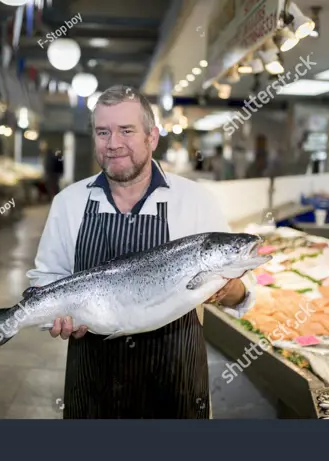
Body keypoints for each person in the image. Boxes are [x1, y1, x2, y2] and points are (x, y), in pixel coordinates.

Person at [26, 85, 255, 419]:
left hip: (175, 384)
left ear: (152, 138)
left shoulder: (194, 200)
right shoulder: (69, 203)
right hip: (92, 386)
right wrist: (53, 320)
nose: (113, 143)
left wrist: (231, 291)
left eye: (127, 131)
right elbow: (47, 280)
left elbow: (245, 295)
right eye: (103, 132)